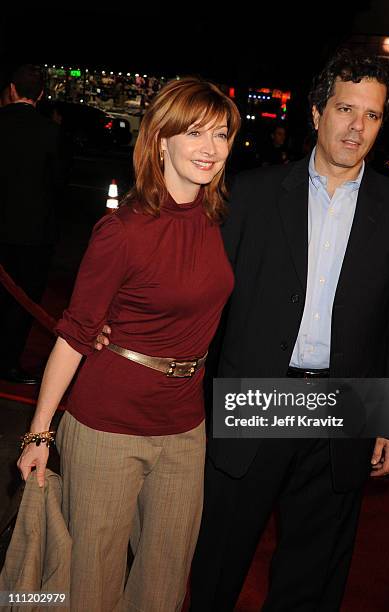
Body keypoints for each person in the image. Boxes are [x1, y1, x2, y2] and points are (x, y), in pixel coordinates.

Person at [187, 50, 389, 611]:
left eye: (371, 115)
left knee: (312, 574)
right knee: (218, 560)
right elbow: (208, 303)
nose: (356, 126)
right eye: (346, 109)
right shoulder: (247, 195)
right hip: (253, 396)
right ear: (317, 113)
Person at [16, 77, 241, 612]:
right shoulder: (122, 230)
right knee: (90, 578)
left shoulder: (220, 221)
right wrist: (39, 433)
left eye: (223, 134)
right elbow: (73, 335)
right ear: (162, 139)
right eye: (196, 134)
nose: (211, 148)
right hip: (108, 425)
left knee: (165, 580)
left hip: (186, 427)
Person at [0, 64, 63, 384]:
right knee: (24, 302)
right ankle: (9, 362)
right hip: (34, 233)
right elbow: (59, 185)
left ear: (12, 90)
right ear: (40, 94)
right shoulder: (50, 133)